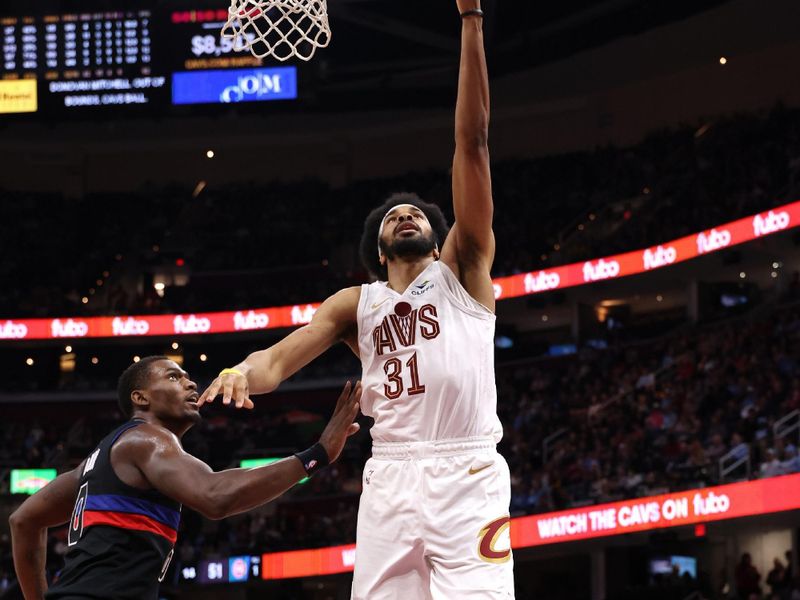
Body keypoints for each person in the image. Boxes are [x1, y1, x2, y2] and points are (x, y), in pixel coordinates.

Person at [199, 1, 515, 597]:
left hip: (466, 469)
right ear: (378, 247)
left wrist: (471, 18)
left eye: (416, 212)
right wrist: (242, 370)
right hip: (389, 473)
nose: (405, 213)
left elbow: (472, 142)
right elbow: (281, 360)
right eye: (394, 216)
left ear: (437, 234)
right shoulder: (356, 304)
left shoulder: (464, 267)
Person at [9, 356, 361, 600]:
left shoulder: (96, 461)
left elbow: (24, 520)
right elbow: (215, 494)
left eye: (187, 376)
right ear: (140, 397)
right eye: (173, 376)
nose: (190, 382)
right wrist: (317, 455)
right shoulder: (146, 439)